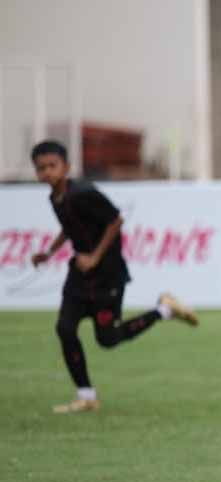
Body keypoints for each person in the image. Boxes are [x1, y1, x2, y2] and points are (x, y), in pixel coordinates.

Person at [29, 140, 197, 414]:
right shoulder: (55, 198)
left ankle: (164, 309)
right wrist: (49, 253)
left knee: (108, 339)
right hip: (80, 275)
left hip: (107, 275)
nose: (47, 172)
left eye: (52, 166)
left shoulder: (83, 192)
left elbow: (116, 220)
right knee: (65, 328)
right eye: (41, 168)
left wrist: (95, 256)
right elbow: (68, 227)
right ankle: (86, 396)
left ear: (66, 167)